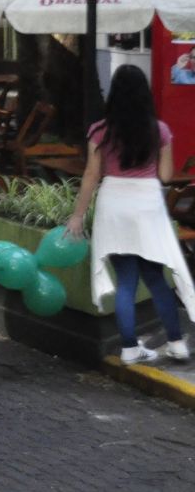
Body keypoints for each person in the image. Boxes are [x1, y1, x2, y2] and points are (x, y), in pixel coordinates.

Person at [67, 65, 195, 365]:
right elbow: (165, 175)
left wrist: (77, 214)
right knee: (155, 277)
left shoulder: (100, 130)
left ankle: (128, 347)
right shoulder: (160, 130)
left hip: (114, 203)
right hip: (147, 204)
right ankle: (176, 343)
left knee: (126, 279)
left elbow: (91, 175)